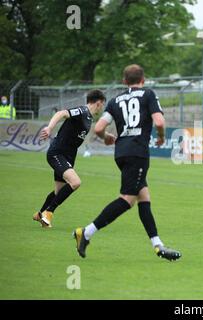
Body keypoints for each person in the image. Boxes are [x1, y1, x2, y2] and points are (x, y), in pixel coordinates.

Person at [73, 64, 181, 261]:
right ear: (143, 79)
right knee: (127, 200)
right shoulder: (148, 94)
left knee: (144, 197)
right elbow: (159, 122)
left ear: (124, 81)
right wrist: (162, 137)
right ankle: (86, 233)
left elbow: (98, 127)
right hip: (137, 152)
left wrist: (106, 137)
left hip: (121, 152)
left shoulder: (115, 100)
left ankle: (158, 246)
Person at [33, 89, 110, 227]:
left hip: (68, 156)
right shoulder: (82, 111)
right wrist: (50, 128)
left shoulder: (89, 118)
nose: (103, 107)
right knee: (75, 182)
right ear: (98, 103)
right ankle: (49, 213)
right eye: (103, 104)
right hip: (57, 153)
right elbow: (61, 113)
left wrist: (108, 136)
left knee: (58, 192)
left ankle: (40, 214)